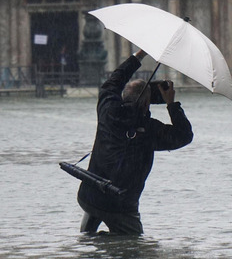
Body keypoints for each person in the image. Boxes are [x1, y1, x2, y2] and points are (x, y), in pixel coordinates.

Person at [77, 49, 194, 235]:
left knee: (88, 237)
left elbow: (113, 81)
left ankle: (94, 244)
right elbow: (184, 135)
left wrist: (138, 56)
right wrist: (171, 104)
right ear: (148, 104)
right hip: (121, 206)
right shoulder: (152, 130)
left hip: (90, 195)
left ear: (124, 95)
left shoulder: (108, 110)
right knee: (134, 247)